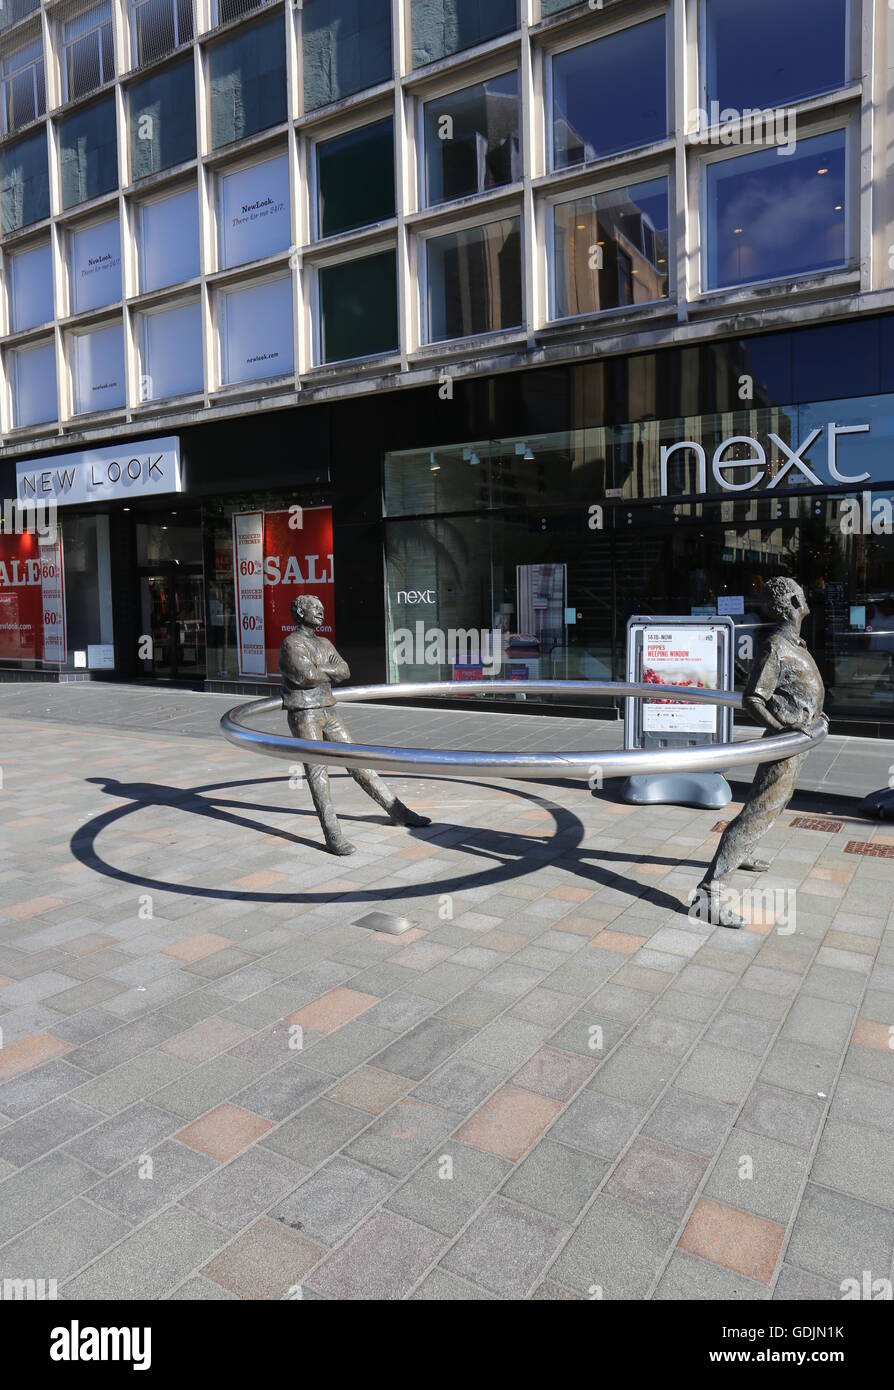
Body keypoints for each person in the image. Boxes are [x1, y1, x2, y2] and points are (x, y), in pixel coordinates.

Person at [696, 577, 826, 929]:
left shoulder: (793, 644)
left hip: (799, 740)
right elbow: (752, 699)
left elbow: (799, 691)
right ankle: (711, 892)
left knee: (772, 804)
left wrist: (813, 714)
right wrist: (783, 728)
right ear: (794, 603)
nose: (806, 596)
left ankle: (744, 852)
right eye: (802, 593)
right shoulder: (776, 648)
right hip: (786, 745)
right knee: (758, 811)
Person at [280, 594, 431, 855]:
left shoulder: (324, 642)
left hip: (328, 708)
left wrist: (321, 670)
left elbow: (345, 671)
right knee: (318, 775)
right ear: (300, 612)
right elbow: (306, 676)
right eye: (314, 608)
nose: (321, 611)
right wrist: (326, 670)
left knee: (358, 760)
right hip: (305, 713)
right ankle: (333, 835)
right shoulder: (291, 644)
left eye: (322, 607)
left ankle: (397, 810)